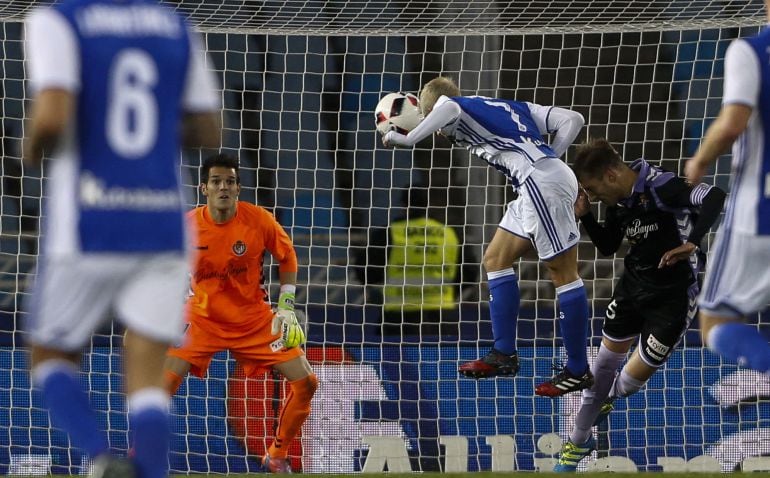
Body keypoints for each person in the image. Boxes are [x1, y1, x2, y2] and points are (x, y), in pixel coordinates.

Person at [23, 0, 221, 477]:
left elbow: (52, 116)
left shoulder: (57, 20)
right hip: (163, 225)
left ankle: (98, 456)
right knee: (148, 375)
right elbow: (209, 129)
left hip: (90, 222)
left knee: (49, 352)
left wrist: (28, 149)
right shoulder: (176, 26)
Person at [382, 76, 592, 396]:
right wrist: (550, 156)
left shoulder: (454, 107)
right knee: (495, 259)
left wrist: (409, 139)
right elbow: (572, 119)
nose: (440, 132)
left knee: (563, 272)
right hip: (534, 182)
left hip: (540, 183)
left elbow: (448, 107)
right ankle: (503, 353)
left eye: (435, 126)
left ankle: (578, 369)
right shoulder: (507, 107)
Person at [552, 138, 726, 471]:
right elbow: (607, 245)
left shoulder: (664, 186)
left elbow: (715, 195)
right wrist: (586, 217)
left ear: (611, 175)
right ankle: (577, 443)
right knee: (601, 368)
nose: (594, 195)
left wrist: (692, 242)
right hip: (632, 290)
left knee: (626, 385)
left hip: (673, 299)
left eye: (593, 188)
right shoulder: (618, 202)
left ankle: (608, 400)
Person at [164, 153, 318, 474]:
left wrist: (286, 307)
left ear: (238, 188)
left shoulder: (258, 220)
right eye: (217, 182)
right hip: (202, 319)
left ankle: (277, 454)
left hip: (253, 320)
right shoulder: (186, 226)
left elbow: (287, 258)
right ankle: (140, 455)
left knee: (306, 383)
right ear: (203, 188)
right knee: (159, 386)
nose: (224, 187)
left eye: (231, 182)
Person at [684, 0, 770, 380]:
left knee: (715, 321)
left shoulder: (749, 50)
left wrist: (699, 161)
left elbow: (733, 122)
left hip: (758, 213)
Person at [353, 187, 475, 337]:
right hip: (442, 316)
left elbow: (364, 270)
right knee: (444, 359)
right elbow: (470, 272)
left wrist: (382, 288)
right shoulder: (450, 234)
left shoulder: (390, 233)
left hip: (398, 317)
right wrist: (449, 292)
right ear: (428, 204)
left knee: (394, 360)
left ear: (404, 205)